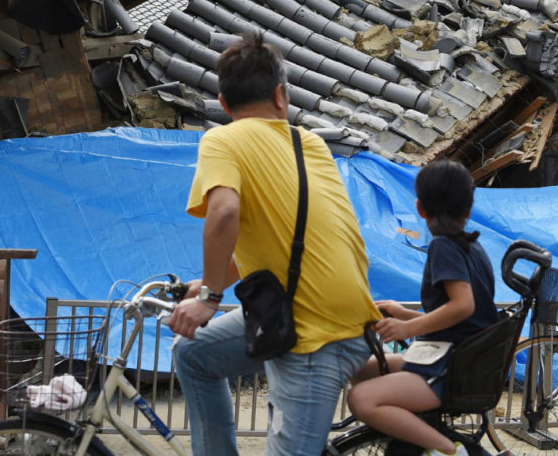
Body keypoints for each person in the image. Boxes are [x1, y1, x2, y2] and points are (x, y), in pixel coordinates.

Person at [166, 31, 382, 456]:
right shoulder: (311, 144)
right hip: (332, 309)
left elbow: (225, 213)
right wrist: (213, 283)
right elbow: (283, 238)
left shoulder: (221, 139)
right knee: (194, 354)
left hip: (314, 333)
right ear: (281, 97)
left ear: (224, 106)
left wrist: (209, 296)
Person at [347, 159, 499, 456]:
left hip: (448, 367)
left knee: (361, 400)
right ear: (468, 210)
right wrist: (406, 314)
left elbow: (462, 306)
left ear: (419, 208)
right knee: (362, 370)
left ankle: (450, 450)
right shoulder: (474, 248)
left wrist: (407, 328)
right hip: (459, 361)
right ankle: (409, 434)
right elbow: (462, 318)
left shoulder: (445, 247)